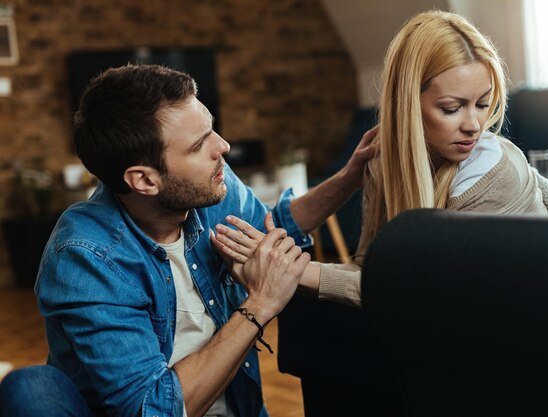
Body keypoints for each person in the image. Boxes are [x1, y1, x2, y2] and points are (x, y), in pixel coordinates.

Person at [0, 64, 377, 417]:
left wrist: (351, 174)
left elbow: (272, 227)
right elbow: (154, 408)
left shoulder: (210, 187)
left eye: (211, 128)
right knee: (30, 388)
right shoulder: (85, 257)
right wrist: (260, 305)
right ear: (145, 180)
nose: (223, 147)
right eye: (199, 146)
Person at [212, 10, 548, 308]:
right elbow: (374, 271)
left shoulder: (495, 169)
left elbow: (434, 291)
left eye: (483, 104)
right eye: (451, 108)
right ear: (409, 104)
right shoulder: (381, 163)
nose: (474, 125)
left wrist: (296, 270)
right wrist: (287, 267)